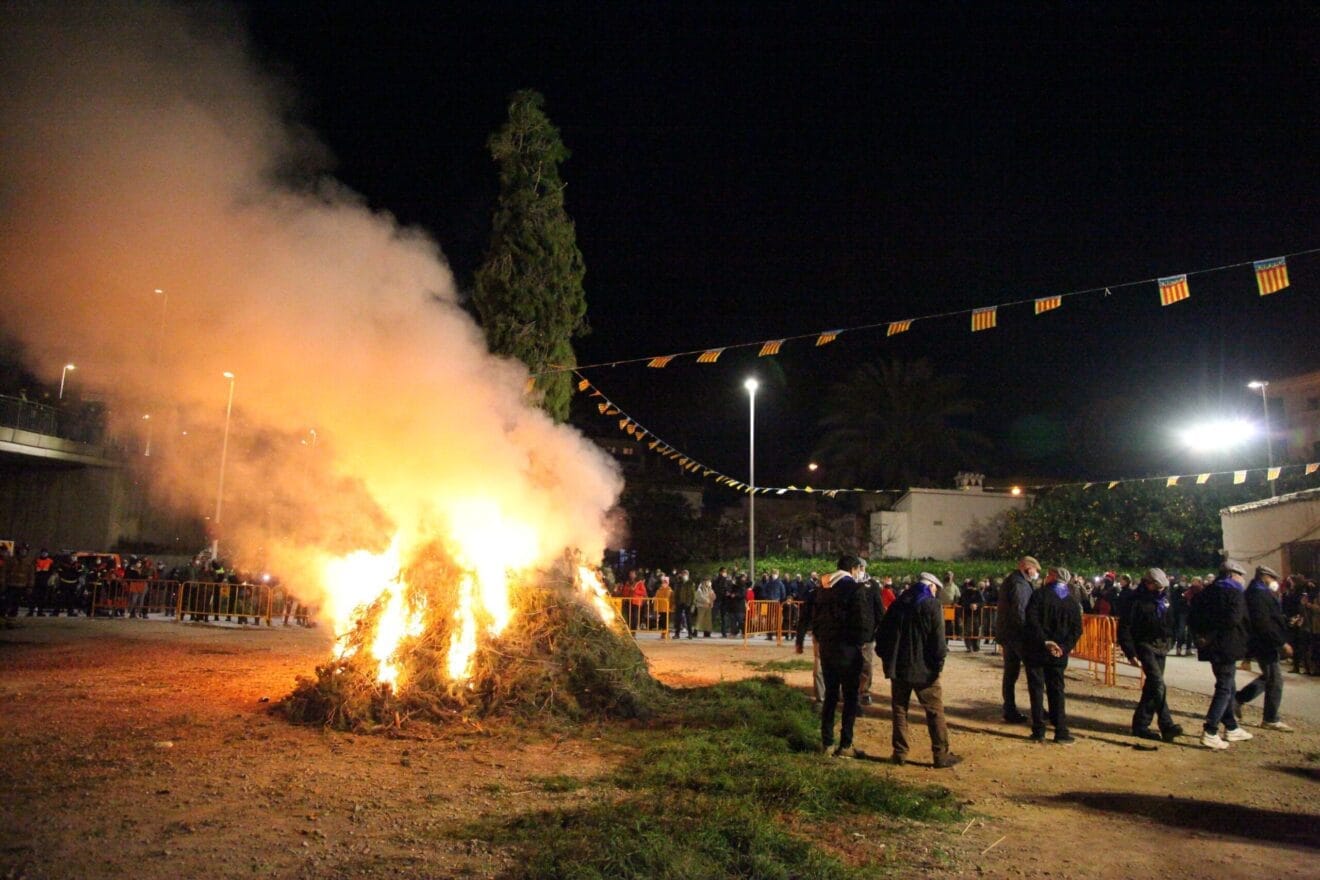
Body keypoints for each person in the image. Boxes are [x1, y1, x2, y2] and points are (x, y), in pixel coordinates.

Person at [876, 571, 960, 768]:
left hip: (899, 668)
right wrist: (937, 665)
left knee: (899, 710)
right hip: (924, 669)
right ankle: (940, 754)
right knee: (934, 711)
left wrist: (888, 659)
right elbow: (938, 642)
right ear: (931, 586)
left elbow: (882, 635)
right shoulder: (931, 605)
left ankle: (900, 753)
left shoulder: (899, 603)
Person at [809, 556, 873, 757]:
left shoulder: (823, 590)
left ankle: (826, 743)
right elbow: (863, 622)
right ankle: (845, 744)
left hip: (828, 649)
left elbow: (815, 620)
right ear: (853, 569)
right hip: (848, 650)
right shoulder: (855, 589)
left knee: (830, 696)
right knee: (850, 697)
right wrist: (861, 641)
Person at [1189, 559, 1252, 750]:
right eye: (1241, 576)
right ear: (1232, 575)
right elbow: (1233, 618)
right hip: (1226, 645)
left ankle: (1231, 727)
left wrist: (1202, 637)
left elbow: (1192, 617)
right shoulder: (1234, 592)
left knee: (1229, 685)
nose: (1242, 579)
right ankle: (1210, 730)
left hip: (1211, 647)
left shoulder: (1206, 592)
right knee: (1224, 687)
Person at [1118, 568, 1183, 742]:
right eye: (1157, 586)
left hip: (1162, 645)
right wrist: (1130, 652)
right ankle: (1166, 724)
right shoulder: (1135, 600)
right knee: (1158, 684)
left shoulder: (1166, 598)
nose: (1161, 590)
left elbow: (1173, 621)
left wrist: (1172, 639)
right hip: (1145, 645)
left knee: (1152, 688)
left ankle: (1140, 724)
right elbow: (1124, 627)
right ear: (1148, 584)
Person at [1022, 566, 1083, 744]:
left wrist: (1045, 641)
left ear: (1054, 577)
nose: (1046, 577)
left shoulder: (1039, 595)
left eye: (1049, 574)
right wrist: (1063, 647)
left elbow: (1031, 620)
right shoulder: (1072, 601)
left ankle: (1038, 730)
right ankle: (1060, 730)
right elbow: (1077, 629)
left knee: (1037, 689)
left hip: (1037, 650)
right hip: (1059, 654)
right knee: (1057, 690)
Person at [1234, 565, 1294, 731]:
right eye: (1272, 578)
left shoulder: (1259, 592)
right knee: (1275, 680)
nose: (1274, 582)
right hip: (1264, 643)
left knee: (1268, 678)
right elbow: (1264, 623)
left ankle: (1237, 699)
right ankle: (1270, 718)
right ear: (1264, 576)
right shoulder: (1257, 594)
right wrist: (1281, 643)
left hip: (1264, 642)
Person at [996, 555, 1040, 723]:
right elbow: (1020, 611)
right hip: (1018, 636)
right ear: (1027, 567)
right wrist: (1030, 633)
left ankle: (1009, 709)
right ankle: (1036, 710)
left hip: (1009, 635)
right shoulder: (1019, 584)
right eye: (1035, 570)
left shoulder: (1013, 581)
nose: (1036, 573)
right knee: (1033, 672)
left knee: (1010, 674)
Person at [794, 573, 827, 704]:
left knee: (822, 667)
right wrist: (799, 641)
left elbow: (803, 619)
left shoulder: (815, 595)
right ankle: (822, 698)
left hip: (828, 636)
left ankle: (823, 697)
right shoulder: (814, 595)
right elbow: (804, 618)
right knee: (820, 666)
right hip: (822, 635)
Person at [961, 579, 986, 652]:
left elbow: (983, 602)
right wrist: (969, 605)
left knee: (976, 630)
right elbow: (961, 602)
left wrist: (976, 605)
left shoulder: (977, 593)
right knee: (969, 631)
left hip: (976, 614)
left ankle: (975, 646)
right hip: (967, 614)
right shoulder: (965, 593)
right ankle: (970, 647)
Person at [672, 570, 696, 639]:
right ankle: (677, 634)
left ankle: (690, 634)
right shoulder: (679, 583)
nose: (684, 575)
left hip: (688, 603)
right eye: (683, 574)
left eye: (686, 574)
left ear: (688, 575)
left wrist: (693, 604)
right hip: (679, 603)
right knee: (678, 619)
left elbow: (693, 594)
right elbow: (676, 593)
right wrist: (675, 602)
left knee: (689, 619)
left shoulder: (691, 583)